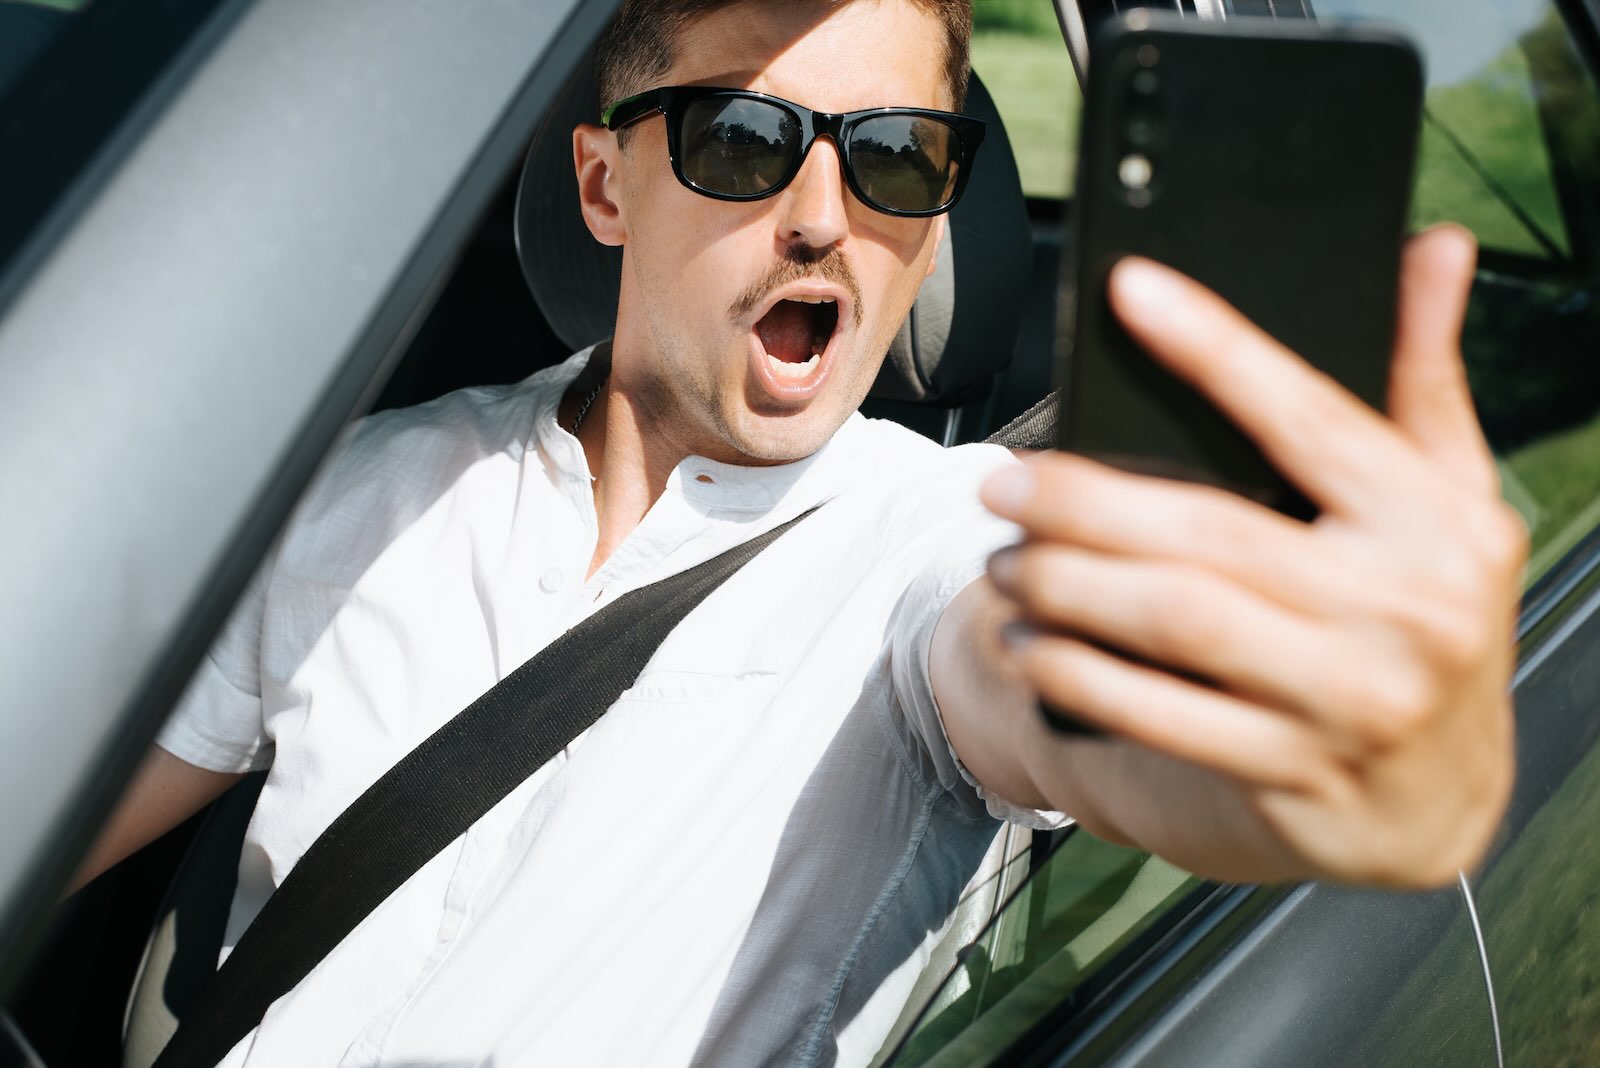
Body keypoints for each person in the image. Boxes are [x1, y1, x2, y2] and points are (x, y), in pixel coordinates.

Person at [74, 0, 1527, 1064]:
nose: (827, 216)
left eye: (898, 156)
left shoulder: (930, 544)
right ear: (602, 184)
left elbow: (1074, 701)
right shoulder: (362, 487)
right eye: (745, 139)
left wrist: (1314, 742)